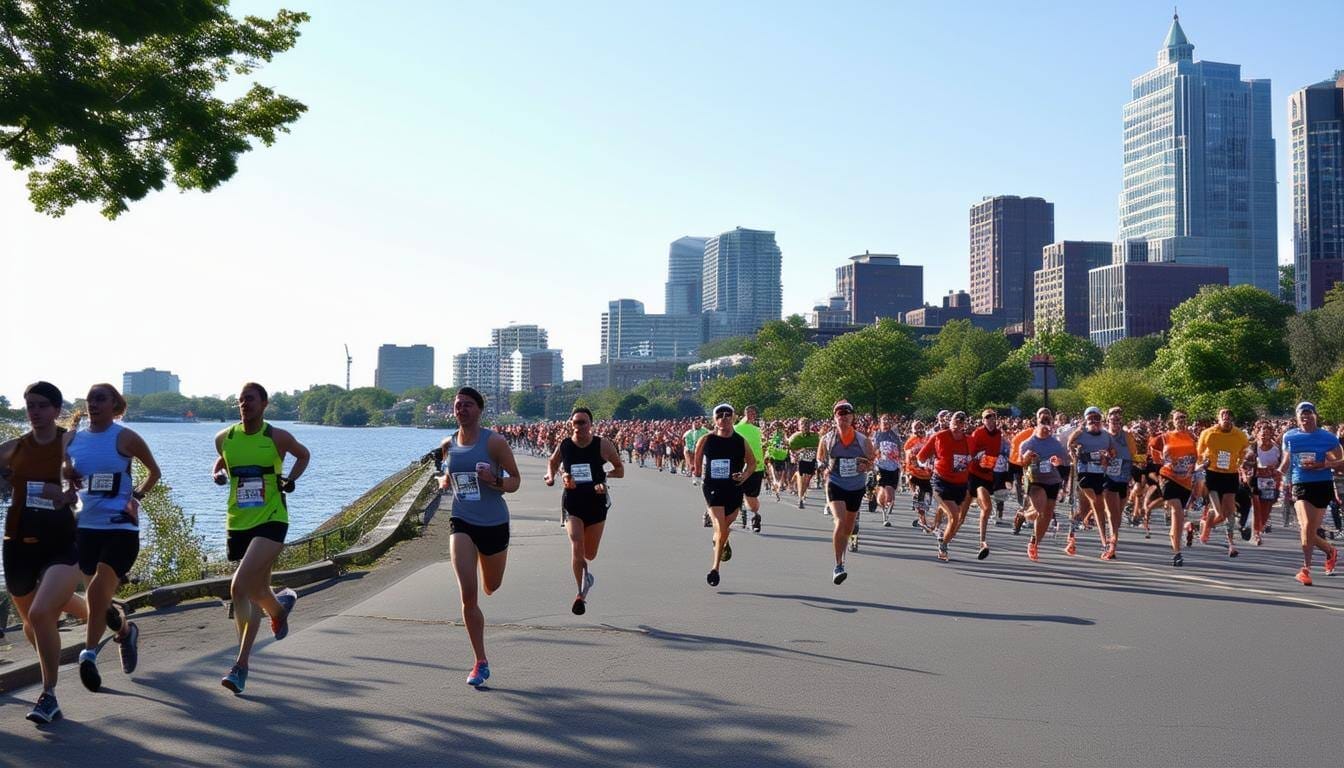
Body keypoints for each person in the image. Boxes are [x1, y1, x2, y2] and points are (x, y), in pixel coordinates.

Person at [213, 382, 310, 694]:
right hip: (239, 522)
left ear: (264, 404)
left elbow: (303, 455)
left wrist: (290, 480)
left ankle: (240, 665)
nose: (245, 404)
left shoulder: (277, 437)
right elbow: (224, 460)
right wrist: (217, 473)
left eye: (251, 399)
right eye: (241, 400)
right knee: (253, 591)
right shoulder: (224, 438)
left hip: (272, 519)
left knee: (239, 586)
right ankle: (279, 608)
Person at [1, 382, 87, 724]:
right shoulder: (13, 449)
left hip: (61, 541)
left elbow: (93, 480)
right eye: (30, 406)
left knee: (40, 615)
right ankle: (110, 618)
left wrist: (68, 495)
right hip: (18, 543)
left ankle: (49, 694)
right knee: (30, 624)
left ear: (56, 409)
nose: (34, 412)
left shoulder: (72, 443)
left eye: (41, 405)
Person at [66, 383, 160, 692]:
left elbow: (154, 472)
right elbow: (59, 471)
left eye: (100, 399)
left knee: (95, 593)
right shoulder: (74, 439)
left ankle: (89, 655)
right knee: (101, 604)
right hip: (85, 529)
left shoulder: (125, 437)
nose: (93, 404)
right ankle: (126, 632)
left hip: (121, 529)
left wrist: (137, 498)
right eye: (90, 399)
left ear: (114, 405)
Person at [437, 387, 521, 685]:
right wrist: (445, 480)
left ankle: (489, 579)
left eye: (468, 405)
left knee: (492, 586)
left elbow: (515, 481)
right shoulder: (448, 444)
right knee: (468, 595)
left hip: (494, 523)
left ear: (480, 410)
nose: (462, 409)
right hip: (462, 520)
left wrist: (494, 479)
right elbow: (448, 472)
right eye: (458, 405)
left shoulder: (494, 442)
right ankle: (480, 661)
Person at [545, 407, 624, 615]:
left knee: (590, 553)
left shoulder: (602, 444)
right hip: (573, 502)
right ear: (571, 424)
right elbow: (552, 462)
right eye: (575, 422)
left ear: (591, 424)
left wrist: (604, 479)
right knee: (577, 544)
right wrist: (552, 477)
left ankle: (586, 577)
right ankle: (580, 592)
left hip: (596, 502)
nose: (578, 426)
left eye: (583, 422)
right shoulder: (565, 445)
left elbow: (620, 469)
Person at [1278, 402, 1341, 586]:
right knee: (1306, 525)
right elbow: (1286, 461)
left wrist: (1324, 464)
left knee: (1310, 530)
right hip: (1300, 483)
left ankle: (1330, 550)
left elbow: (1341, 461)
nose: (1305, 417)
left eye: (1308, 413)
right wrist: (1278, 475)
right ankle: (1306, 569)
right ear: (1297, 417)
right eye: (1302, 414)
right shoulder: (1290, 436)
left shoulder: (1328, 438)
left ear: (1315, 416)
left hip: (1322, 484)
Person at [693, 403, 755, 588]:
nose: (724, 418)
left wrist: (744, 475)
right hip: (713, 487)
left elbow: (752, 463)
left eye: (728, 415)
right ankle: (715, 569)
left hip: (733, 487)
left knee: (725, 528)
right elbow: (696, 460)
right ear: (714, 420)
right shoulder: (706, 439)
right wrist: (697, 474)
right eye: (719, 415)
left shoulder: (740, 441)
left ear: (734, 418)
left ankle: (720, 541)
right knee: (721, 526)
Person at [818, 400, 874, 583]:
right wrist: (824, 468)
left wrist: (865, 465)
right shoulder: (827, 439)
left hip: (856, 486)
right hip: (835, 483)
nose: (843, 417)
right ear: (834, 417)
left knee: (849, 527)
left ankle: (844, 551)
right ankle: (838, 565)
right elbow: (820, 459)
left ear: (852, 417)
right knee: (840, 521)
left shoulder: (863, 440)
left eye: (846, 413)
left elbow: (872, 460)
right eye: (839, 413)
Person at [917, 410, 974, 562]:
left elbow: (975, 458)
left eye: (961, 422)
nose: (958, 424)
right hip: (941, 481)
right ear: (950, 421)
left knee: (957, 519)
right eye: (956, 420)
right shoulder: (939, 437)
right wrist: (927, 466)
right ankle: (943, 546)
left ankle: (940, 534)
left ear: (965, 424)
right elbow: (921, 457)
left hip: (961, 484)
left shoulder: (970, 440)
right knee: (954, 516)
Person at [1196, 408, 1250, 559]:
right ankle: (1205, 528)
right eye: (1223, 416)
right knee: (1219, 512)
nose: (1226, 418)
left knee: (1229, 513)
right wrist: (1203, 462)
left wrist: (1241, 461)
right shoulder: (1208, 433)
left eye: (1229, 416)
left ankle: (1229, 543)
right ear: (1218, 418)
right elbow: (1199, 452)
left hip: (1230, 475)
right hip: (1213, 474)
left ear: (1232, 419)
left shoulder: (1239, 435)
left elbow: (1245, 450)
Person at [1066, 407, 1117, 558]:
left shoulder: (1106, 436)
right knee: (1097, 503)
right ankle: (1103, 542)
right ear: (1086, 420)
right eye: (1090, 418)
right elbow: (1069, 445)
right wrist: (1075, 450)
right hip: (1084, 472)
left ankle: (1103, 542)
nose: (1094, 421)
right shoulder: (1081, 433)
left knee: (1090, 509)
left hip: (1100, 473)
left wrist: (1107, 457)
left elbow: (1112, 452)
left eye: (1097, 418)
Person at [1019, 408, 1069, 562]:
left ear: (1052, 423)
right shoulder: (1028, 443)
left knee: (1047, 515)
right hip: (1036, 480)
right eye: (1043, 421)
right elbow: (1021, 464)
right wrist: (1027, 457)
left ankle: (1034, 543)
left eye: (1048, 421)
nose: (1046, 424)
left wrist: (1059, 462)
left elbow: (1066, 464)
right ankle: (1024, 514)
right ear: (1037, 422)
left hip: (1053, 481)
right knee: (1039, 510)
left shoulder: (1056, 444)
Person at [1158, 410, 1198, 567]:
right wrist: (1165, 460)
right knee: (1177, 510)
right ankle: (1177, 553)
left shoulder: (1192, 437)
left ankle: (1177, 537)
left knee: (1179, 517)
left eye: (1183, 417)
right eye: (1177, 418)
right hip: (1168, 477)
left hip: (1185, 480)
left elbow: (1198, 456)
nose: (1181, 420)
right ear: (1172, 421)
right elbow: (1153, 452)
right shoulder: (1165, 436)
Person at [967, 409, 1008, 560]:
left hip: (987, 476)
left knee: (987, 507)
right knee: (959, 515)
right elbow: (970, 452)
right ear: (983, 420)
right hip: (973, 474)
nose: (990, 420)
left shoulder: (998, 434)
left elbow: (999, 452)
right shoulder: (977, 433)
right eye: (987, 417)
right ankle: (943, 538)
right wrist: (978, 456)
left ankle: (982, 542)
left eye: (993, 417)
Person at [1246, 420, 1281, 545]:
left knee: (1266, 511)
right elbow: (1245, 462)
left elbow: (1282, 464)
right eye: (1261, 434)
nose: (1263, 437)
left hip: (1270, 482)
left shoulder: (1276, 449)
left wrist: (1274, 469)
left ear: (1271, 434)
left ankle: (1258, 529)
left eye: (1266, 434)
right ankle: (1255, 534)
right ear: (1257, 434)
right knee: (1256, 507)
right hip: (1255, 480)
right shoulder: (1253, 447)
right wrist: (1252, 464)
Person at [734, 405, 766, 532]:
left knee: (751, 498)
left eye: (753, 413)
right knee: (733, 494)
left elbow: (763, 447)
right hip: (738, 467)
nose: (751, 415)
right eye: (749, 412)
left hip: (756, 468)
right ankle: (743, 513)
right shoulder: (735, 428)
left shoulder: (759, 430)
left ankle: (754, 515)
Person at [871, 414, 903, 527]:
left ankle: (882, 503)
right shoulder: (877, 434)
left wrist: (901, 462)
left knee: (890, 496)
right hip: (880, 466)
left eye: (888, 420)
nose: (886, 422)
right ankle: (885, 516)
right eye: (884, 420)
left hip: (893, 467)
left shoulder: (895, 436)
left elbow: (900, 451)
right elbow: (872, 449)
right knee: (883, 490)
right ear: (880, 422)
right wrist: (872, 460)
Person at [903, 421, 934, 531]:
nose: (919, 429)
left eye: (921, 427)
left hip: (926, 474)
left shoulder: (928, 439)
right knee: (919, 496)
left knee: (928, 496)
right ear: (912, 429)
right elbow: (908, 454)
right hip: (913, 473)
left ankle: (922, 518)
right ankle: (923, 520)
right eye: (916, 427)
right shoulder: (910, 441)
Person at [787, 419, 820, 510]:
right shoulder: (795, 437)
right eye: (803, 424)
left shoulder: (815, 436)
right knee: (802, 478)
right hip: (801, 460)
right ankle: (800, 499)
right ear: (799, 426)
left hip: (811, 460)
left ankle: (797, 483)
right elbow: (790, 447)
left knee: (807, 480)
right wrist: (796, 453)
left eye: (807, 424)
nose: (805, 426)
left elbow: (820, 447)